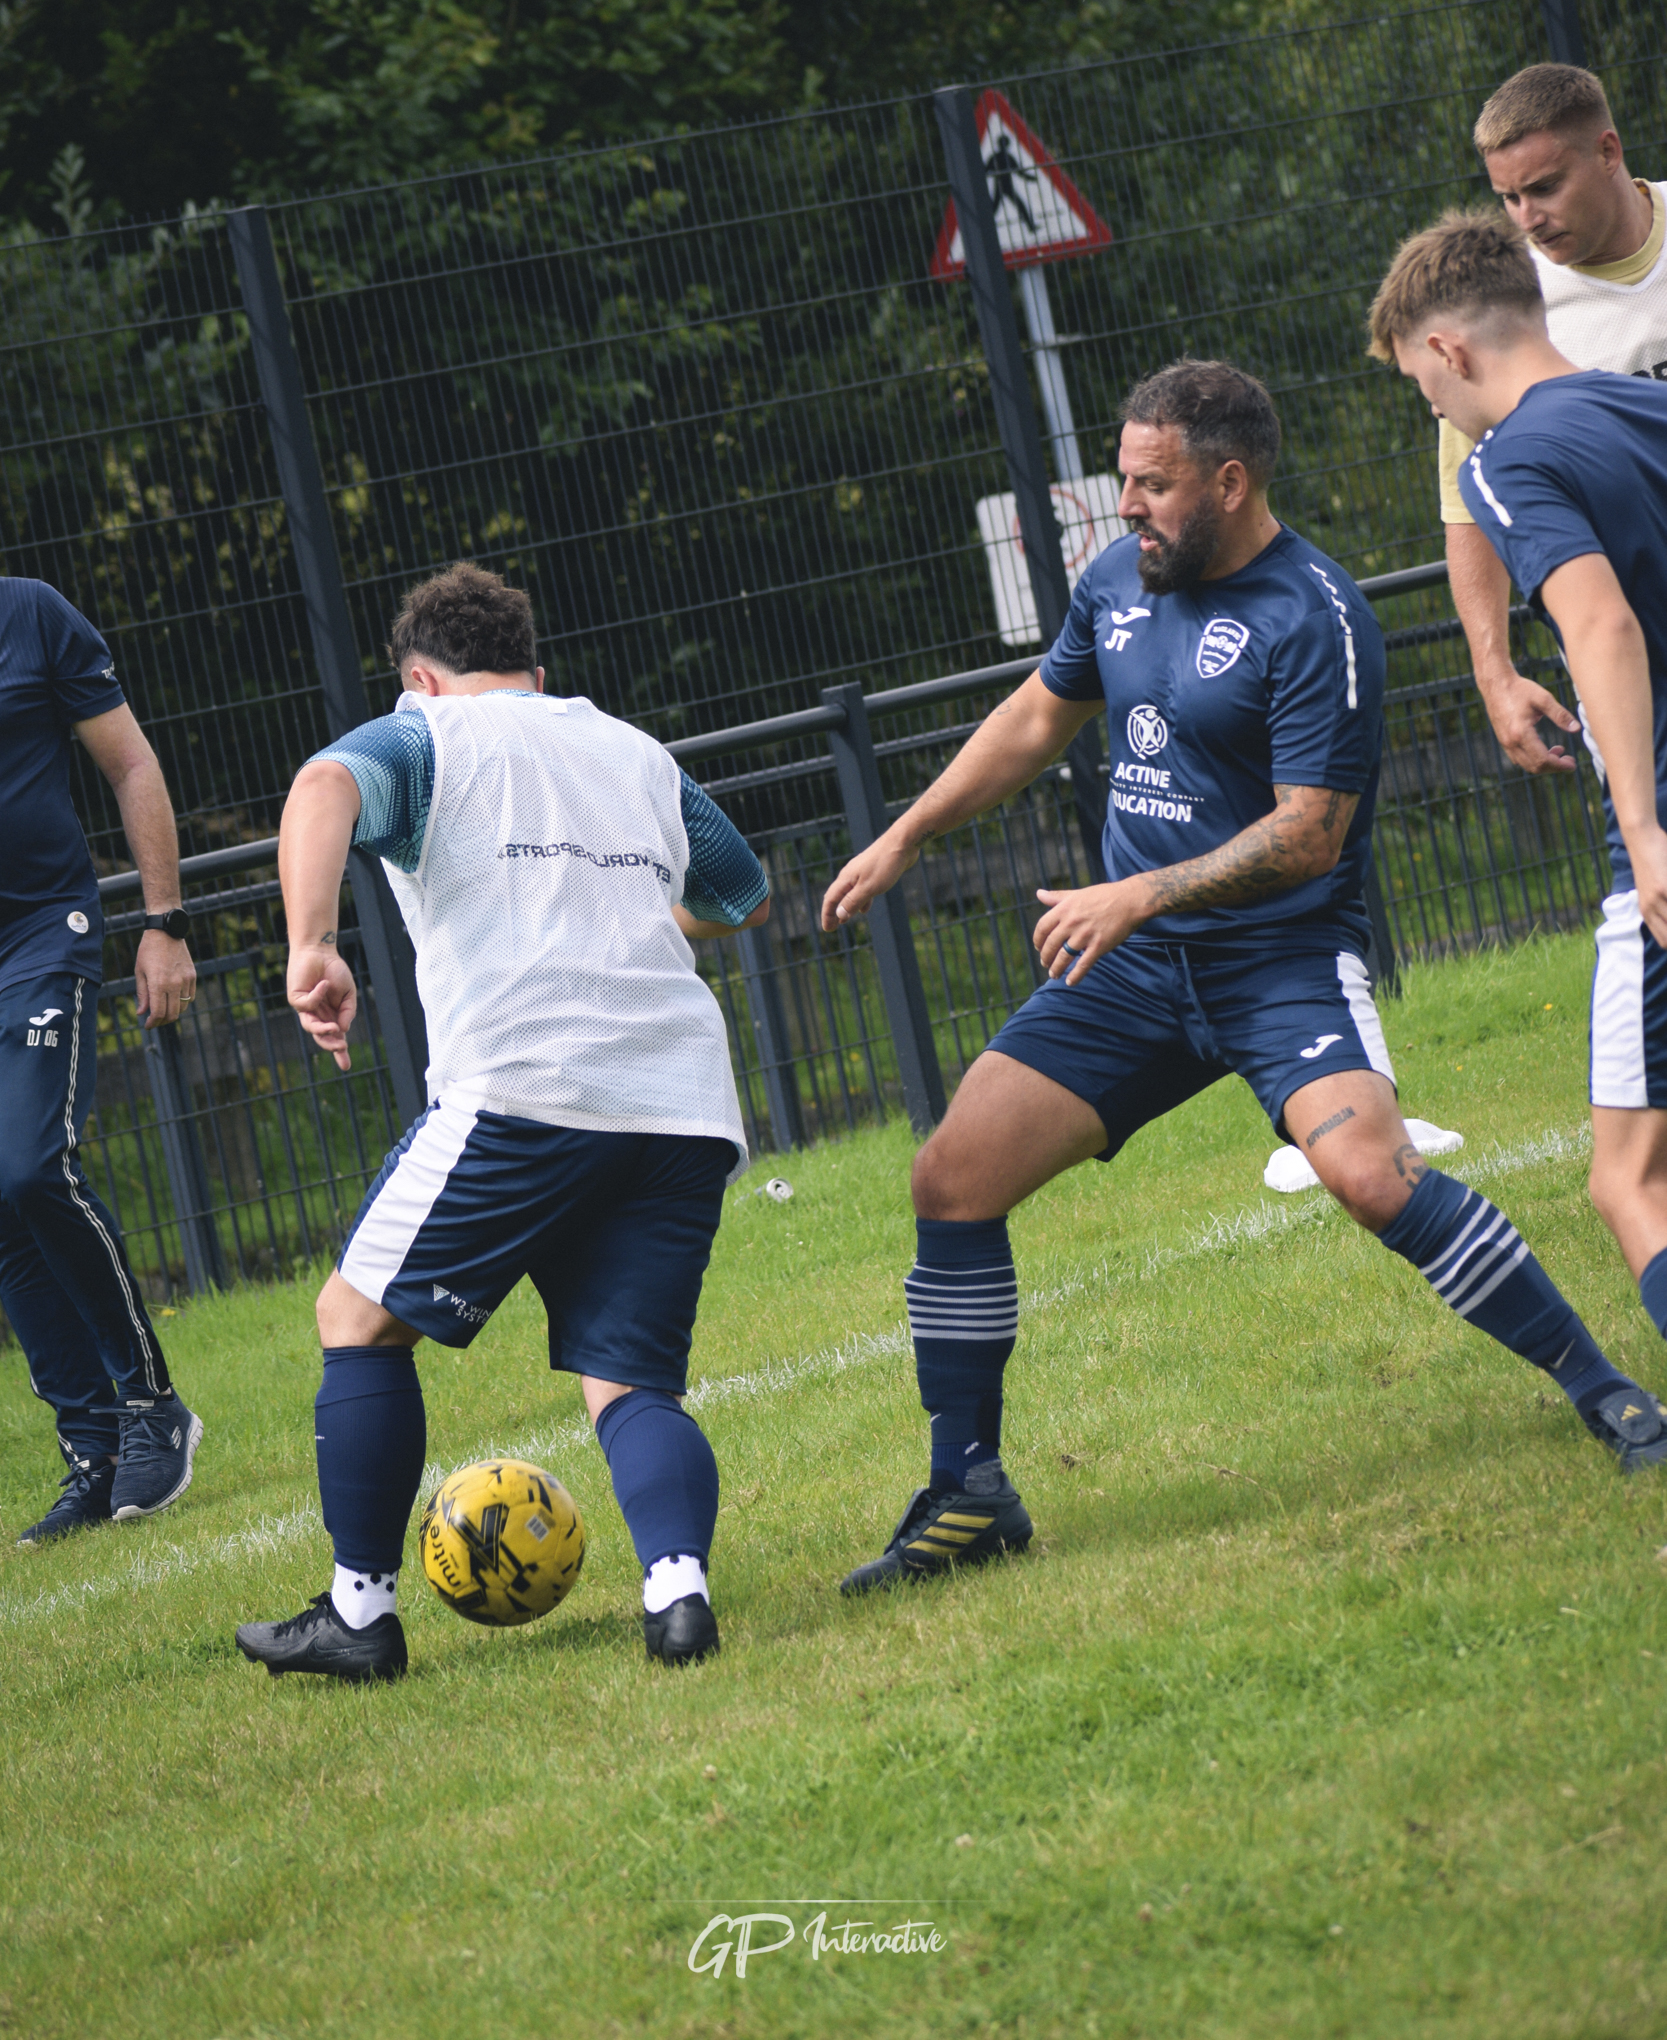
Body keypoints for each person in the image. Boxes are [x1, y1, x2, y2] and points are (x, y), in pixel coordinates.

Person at [819, 358, 1667, 1595]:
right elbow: (1034, 717)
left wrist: (1139, 891)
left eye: (1152, 483)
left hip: (1279, 960)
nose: (1128, 506)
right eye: (1123, 478)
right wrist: (904, 833)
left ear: (1228, 480)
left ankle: (1607, 1394)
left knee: (1371, 1178)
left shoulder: (1313, 614)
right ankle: (968, 1492)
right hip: (1131, 970)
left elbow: (1307, 834)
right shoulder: (1113, 582)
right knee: (950, 1177)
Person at [235, 562, 769, 1684]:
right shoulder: (630, 749)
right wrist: (625, 932)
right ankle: (678, 1594)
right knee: (629, 1378)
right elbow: (737, 890)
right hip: (679, 1100)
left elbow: (323, 785)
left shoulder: (423, 736)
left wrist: (311, 942)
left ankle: (359, 1614)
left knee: (355, 1317)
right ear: (538, 671)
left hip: (524, 1089)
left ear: (420, 678)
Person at [1375, 209, 1667, 1386]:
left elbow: (1595, 622)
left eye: (1414, 382)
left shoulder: (1504, 460)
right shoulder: (1646, 404)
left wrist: (1642, 830)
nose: (1427, 408)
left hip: (1657, 833)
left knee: (1626, 1177)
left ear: (1447, 349)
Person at [0, 576, 203, 1544]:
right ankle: (93, 1453)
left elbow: (130, 764)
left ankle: (151, 1403)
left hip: (42, 935)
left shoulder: (30, 614)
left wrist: (162, 923)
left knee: (36, 1165)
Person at [1441, 63, 1667, 778]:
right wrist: (1493, 672)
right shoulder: (1506, 305)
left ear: (1607, 152)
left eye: (1542, 188)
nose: (1526, 218)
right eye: (1506, 197)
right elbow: (1467, 501)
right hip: (1636, 671)